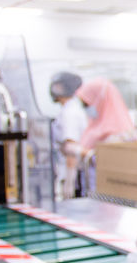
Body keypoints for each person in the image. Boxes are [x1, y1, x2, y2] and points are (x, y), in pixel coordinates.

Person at [49, 71, 88, 199]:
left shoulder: (69, 113)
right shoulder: (70, 109)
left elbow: (71, 149)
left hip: (72, 173)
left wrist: (69, 184)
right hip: (69, 170)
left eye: (58, 86)